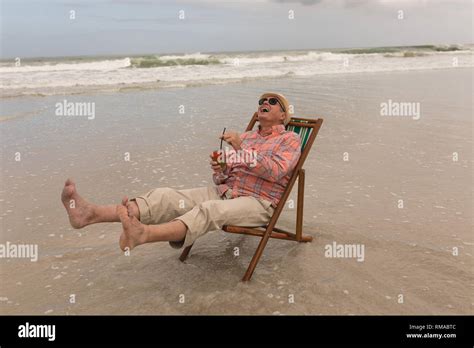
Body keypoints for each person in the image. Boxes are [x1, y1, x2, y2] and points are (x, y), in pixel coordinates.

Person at [61, 93, 301, 252]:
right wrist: (221, 170)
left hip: (259, 203)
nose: (264, 103)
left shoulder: (289, 139)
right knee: (165, 196)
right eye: (261, 101)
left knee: (209, 210)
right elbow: (224, 178)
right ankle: (90, 214)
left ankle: (143, 234)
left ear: (283, 115)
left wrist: (240, 147)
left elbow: (276, 172)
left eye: (272, 101)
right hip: (227, 193)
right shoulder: (248, 136)